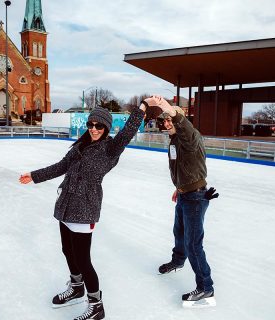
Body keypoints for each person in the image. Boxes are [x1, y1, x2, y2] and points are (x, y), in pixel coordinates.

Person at [19, 101, 151, 320]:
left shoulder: (110, 149)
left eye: (99, 126)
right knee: (67, 251)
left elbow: (127, 132)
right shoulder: (80, 146)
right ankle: (77, 287)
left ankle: (96, 304)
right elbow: (60, 167)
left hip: (85, 207)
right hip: (66, 204)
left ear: (107, 128)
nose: (94, 129)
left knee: (83, 259)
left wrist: (143, 106)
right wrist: (34, 175)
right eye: (91, 124)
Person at [154, 95, 218, 308]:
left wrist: (171, 110)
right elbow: (183, 166)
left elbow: (186, 129)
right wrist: (179, 187)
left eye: (171, 119)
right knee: (179, 231)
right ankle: (178, 260)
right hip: (184, 193)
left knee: (193, 243)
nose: (167, 123)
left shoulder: (191, 137)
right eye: (164, 120)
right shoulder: (173, 141)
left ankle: (206, 287)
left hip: (195, 197)